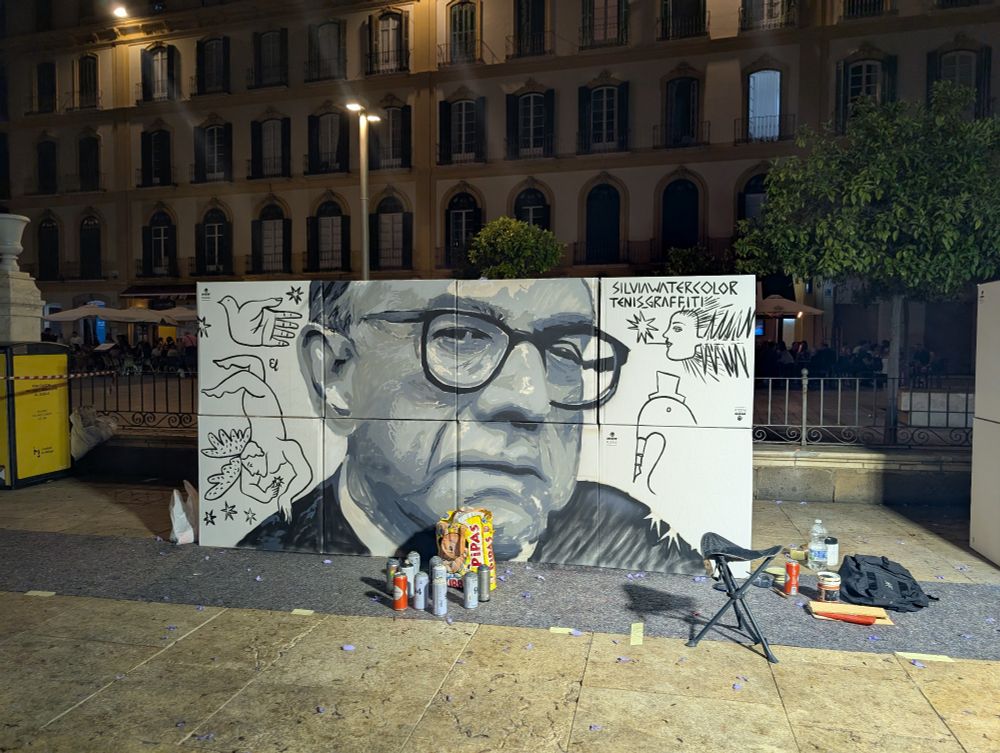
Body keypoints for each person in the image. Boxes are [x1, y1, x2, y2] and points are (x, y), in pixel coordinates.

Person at [238, 280, 703, 573]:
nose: (531, 399)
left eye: (564, 352)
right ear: (335, 375)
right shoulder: (267, 553)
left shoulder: (647, 548)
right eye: (460, 335)